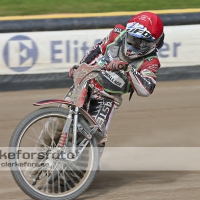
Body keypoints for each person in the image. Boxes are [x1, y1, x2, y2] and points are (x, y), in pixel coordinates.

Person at [67, 11, 164, 147]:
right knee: (58, 120)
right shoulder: (117, 33)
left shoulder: (151, 62)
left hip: (109, 97)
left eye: (141, 43)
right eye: (132, 38)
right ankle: (37, 158)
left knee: (96, 135)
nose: (133, 45)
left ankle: (89, 166)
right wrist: (79, 67)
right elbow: (97, 50)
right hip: (88, 81)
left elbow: (146, 90)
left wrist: (128, 69)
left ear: (153, 44)